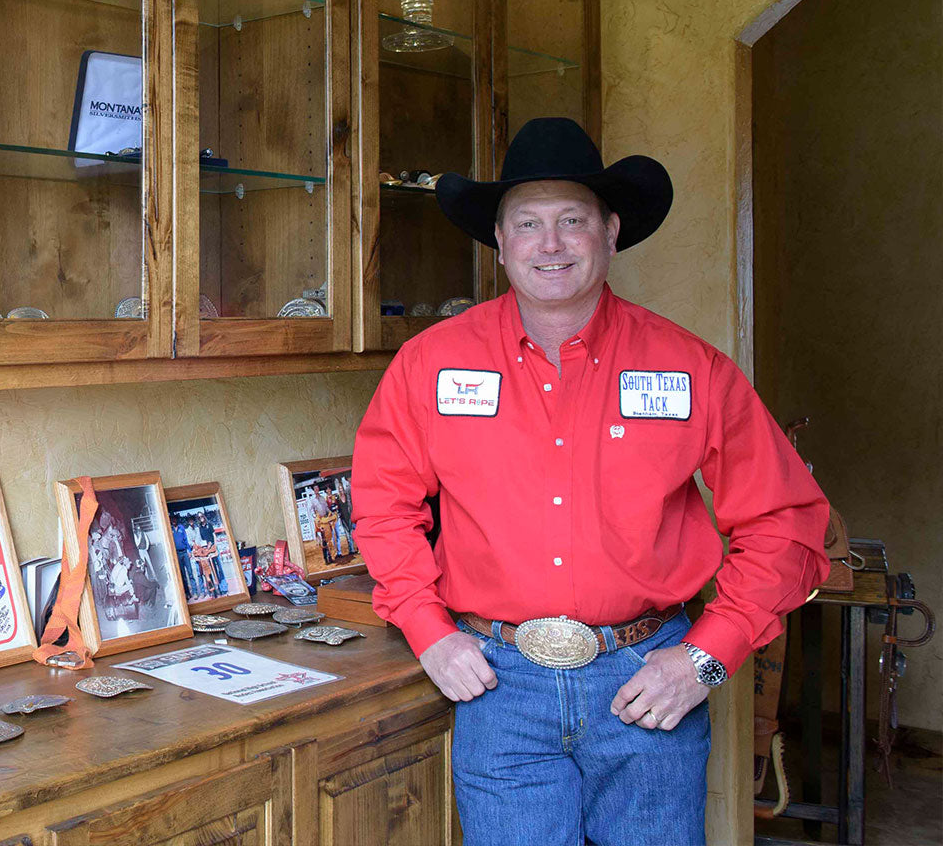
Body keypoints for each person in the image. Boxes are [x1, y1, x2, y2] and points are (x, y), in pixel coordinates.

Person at [350, 117, 830, 846]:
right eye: (529, 223)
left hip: (647, 686)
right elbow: (384, 506)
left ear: (610, 233)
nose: (550, 244)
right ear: (500, 243)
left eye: (572, 221)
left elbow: (787, 522)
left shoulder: (689, 367)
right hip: (497, 686)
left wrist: (708, 655)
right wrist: (426, 630)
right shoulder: (429, 364)